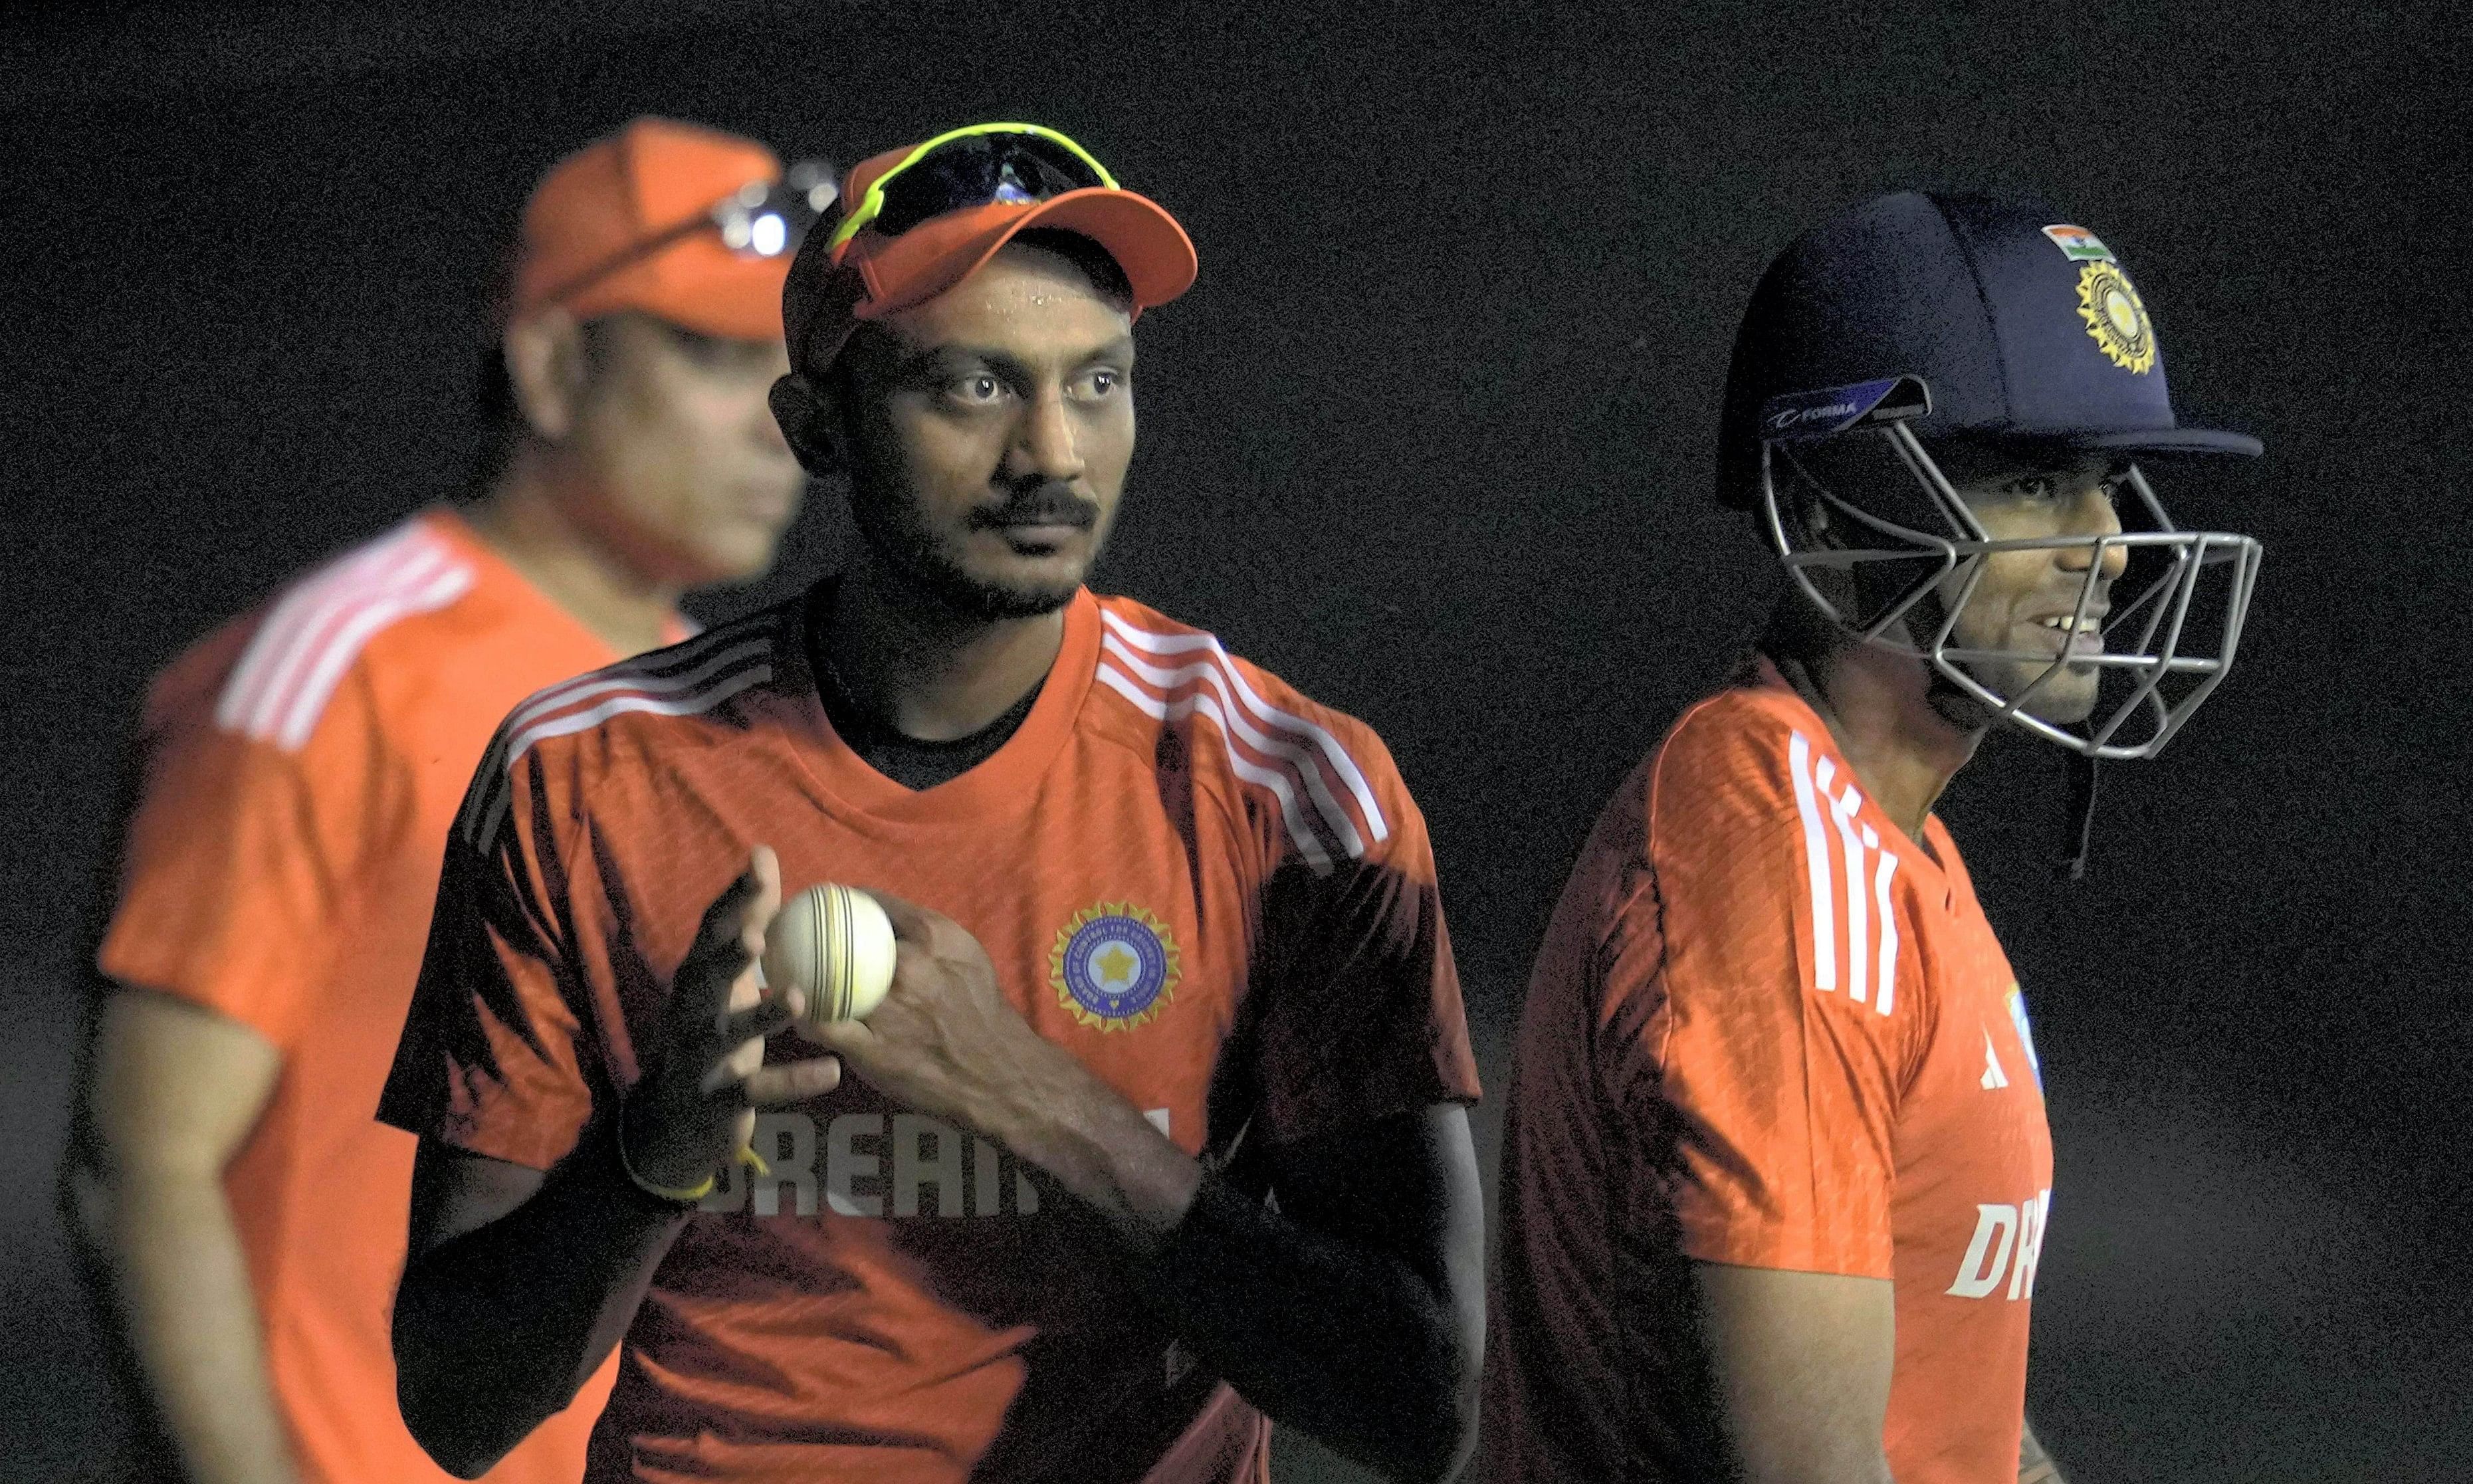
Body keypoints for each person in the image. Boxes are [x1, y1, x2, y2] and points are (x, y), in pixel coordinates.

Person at [376, 122, 1486, 1484]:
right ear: (816, 426)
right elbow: (454, 1406)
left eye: (1098, 383)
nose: (1051, 453)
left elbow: (1418, 1403)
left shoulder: (1282, 788)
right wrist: (650, 1154)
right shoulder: (578, 776)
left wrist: (1024, 1091)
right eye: (971, 387)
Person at [61, 116, 815, 1484]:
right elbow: (145, 1166)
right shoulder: (339, 668)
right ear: (548, 360)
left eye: (792, 364)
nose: (777, 418)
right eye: (711, 356)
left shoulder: (712, 710)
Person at [1478, 191, 2266, 1483]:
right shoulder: (1780, 874)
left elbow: (1944, 1415)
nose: (2111, 546)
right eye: (2032, 481)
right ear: (1835, 509)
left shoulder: (1884, 852)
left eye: (2104, 484)